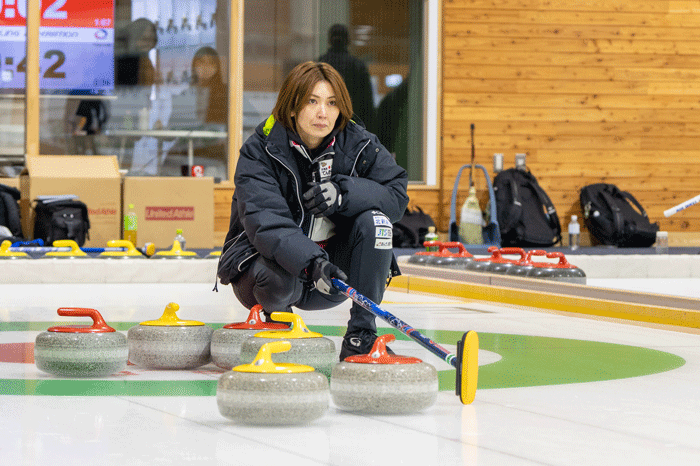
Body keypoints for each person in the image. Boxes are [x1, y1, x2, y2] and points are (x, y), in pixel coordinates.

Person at [217, 61, 408, 360]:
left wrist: (345, 194)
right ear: (292, 106)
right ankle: (280, 328)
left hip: (332, 276)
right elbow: (266, 224)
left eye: (332, 103)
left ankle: (361, 336)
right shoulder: (259, 151)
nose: (323, 113)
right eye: (312, 101)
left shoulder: (359, 144)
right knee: (276, 280)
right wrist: (312, 262)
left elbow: (396, 195)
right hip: (271, 274)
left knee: (377, 222)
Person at [319, 24, 375, 133]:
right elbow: (367, 106)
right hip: (352, 127)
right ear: (348, 40)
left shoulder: (320, 65)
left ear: (329, 40)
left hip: (324, 124)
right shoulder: (357, 66)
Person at [115, 18, 158, 86]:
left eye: (153, 40)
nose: (149, 44)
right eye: (144, 39)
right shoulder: (121, 63)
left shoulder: (145, 62)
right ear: (133, 38)